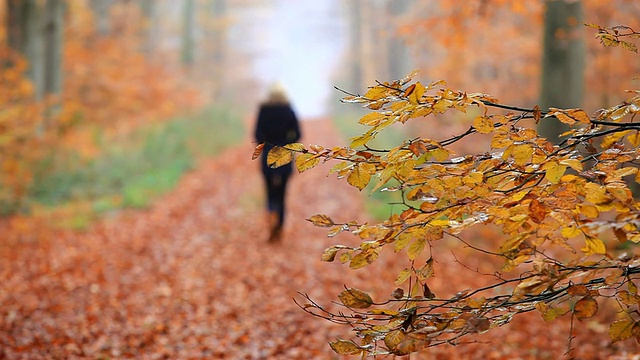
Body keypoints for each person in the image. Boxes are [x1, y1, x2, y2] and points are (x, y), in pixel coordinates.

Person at [254, 83, 301, 242]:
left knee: (269, 191)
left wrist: (266, 144)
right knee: (282, 192)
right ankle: (279, 225)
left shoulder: (263, 110)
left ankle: (271, 211)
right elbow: (298, 134)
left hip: (268, 154)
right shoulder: (288, 110)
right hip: (285, 154)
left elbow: (257, 134)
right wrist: (287, 143)